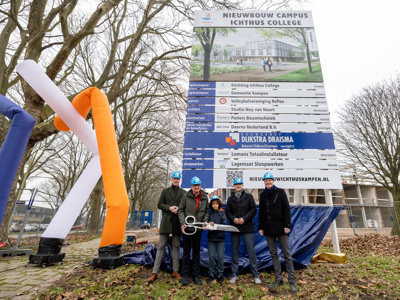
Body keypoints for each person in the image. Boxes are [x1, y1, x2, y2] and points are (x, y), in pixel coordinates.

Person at [258, 172, 297, 292]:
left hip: (281, 228)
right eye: (266, 180)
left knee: (287, 254)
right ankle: (279, 279)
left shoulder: (280, 192)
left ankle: (291, 281)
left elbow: (286, 209)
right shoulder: (262, 195)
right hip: (268, 229)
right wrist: (261, 227)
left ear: (273, 181)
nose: (268, 182)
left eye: (270, 180)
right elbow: (261, 213)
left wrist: (287, 225)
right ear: (264, 182)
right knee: (273, 254)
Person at [147, 171, 186, 283]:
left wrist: (178, 209)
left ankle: (175, 271)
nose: (176, 180)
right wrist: (169, 208)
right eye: (174, 178)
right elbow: (159, 204)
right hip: (166, 223)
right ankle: (155, 272)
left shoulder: (183, 193)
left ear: (179, 180)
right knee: (161, 246)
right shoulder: (165, 191)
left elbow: (184, 206)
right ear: (171, 179)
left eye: (178, 179)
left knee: (176, 247)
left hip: (177, 223)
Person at [225, 177, 261, 285]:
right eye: (236, 184)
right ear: (234, 186)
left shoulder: (249, 196)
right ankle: (234, 274)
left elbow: (253, 210)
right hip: (234, 228)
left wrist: (244, 219)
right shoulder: (230, 199)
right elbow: (227, 212)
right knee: (235, 251)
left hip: (247, 228)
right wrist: (234, 219)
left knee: (251, 251)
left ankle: (255, 275)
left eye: (240, 184)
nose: (238, 186)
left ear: (243, 185)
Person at [178, 176, 209, 286]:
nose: (196, 187)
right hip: (187, 229)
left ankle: (196, 275)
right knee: (186, 252)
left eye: (198, 185)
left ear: (200, 186)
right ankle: (185, 274)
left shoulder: (205, 197)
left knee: (196, 252)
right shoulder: (185, 196)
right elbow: (181, 210)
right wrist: (183, 223)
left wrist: (205, 221)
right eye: (194, 185)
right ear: (191, 186)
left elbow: (206, 211)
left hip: (198, 229)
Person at [207, 195, 227, 284]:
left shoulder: (223, 213)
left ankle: (220, 275)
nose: (215, 205)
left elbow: (224, 223)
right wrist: (208, 224)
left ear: (219, 204)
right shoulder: (209, 214)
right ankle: (211, 274)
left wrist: (214, 225)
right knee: (211, 257)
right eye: (213, 204)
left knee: (220, 257)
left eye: (216, 204)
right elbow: (206, 223)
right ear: (211, 205)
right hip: (211, 238)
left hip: (220, 239)